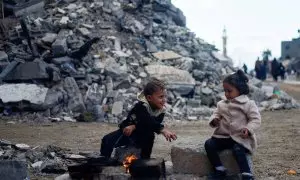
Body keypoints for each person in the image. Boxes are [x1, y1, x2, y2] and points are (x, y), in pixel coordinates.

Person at [204, 70, 261, 180]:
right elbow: (216, 113)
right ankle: (219, 170)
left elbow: (255, 119)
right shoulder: (222, 104)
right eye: (225, 91)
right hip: (224, 136)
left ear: (240, 89)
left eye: (229, 91)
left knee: (238, 150)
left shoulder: (248, 104)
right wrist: (214, 120)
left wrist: (248, 129)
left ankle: (247, 174)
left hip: (240, 137)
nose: (226, 94)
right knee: (209, 144)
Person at [100, 78, 177, 159]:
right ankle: (104, 160)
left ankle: (145, 160)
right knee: (106, 140)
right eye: (161, 97)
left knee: (150, 135)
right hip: (128, 132)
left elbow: (152, 124)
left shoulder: (161, 111)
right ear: (149, 98)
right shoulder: (141, 106)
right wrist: (162, 130)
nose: (164, 100)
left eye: (165, 97)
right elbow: (146, 120)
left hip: (142, 135)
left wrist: (134, 127)